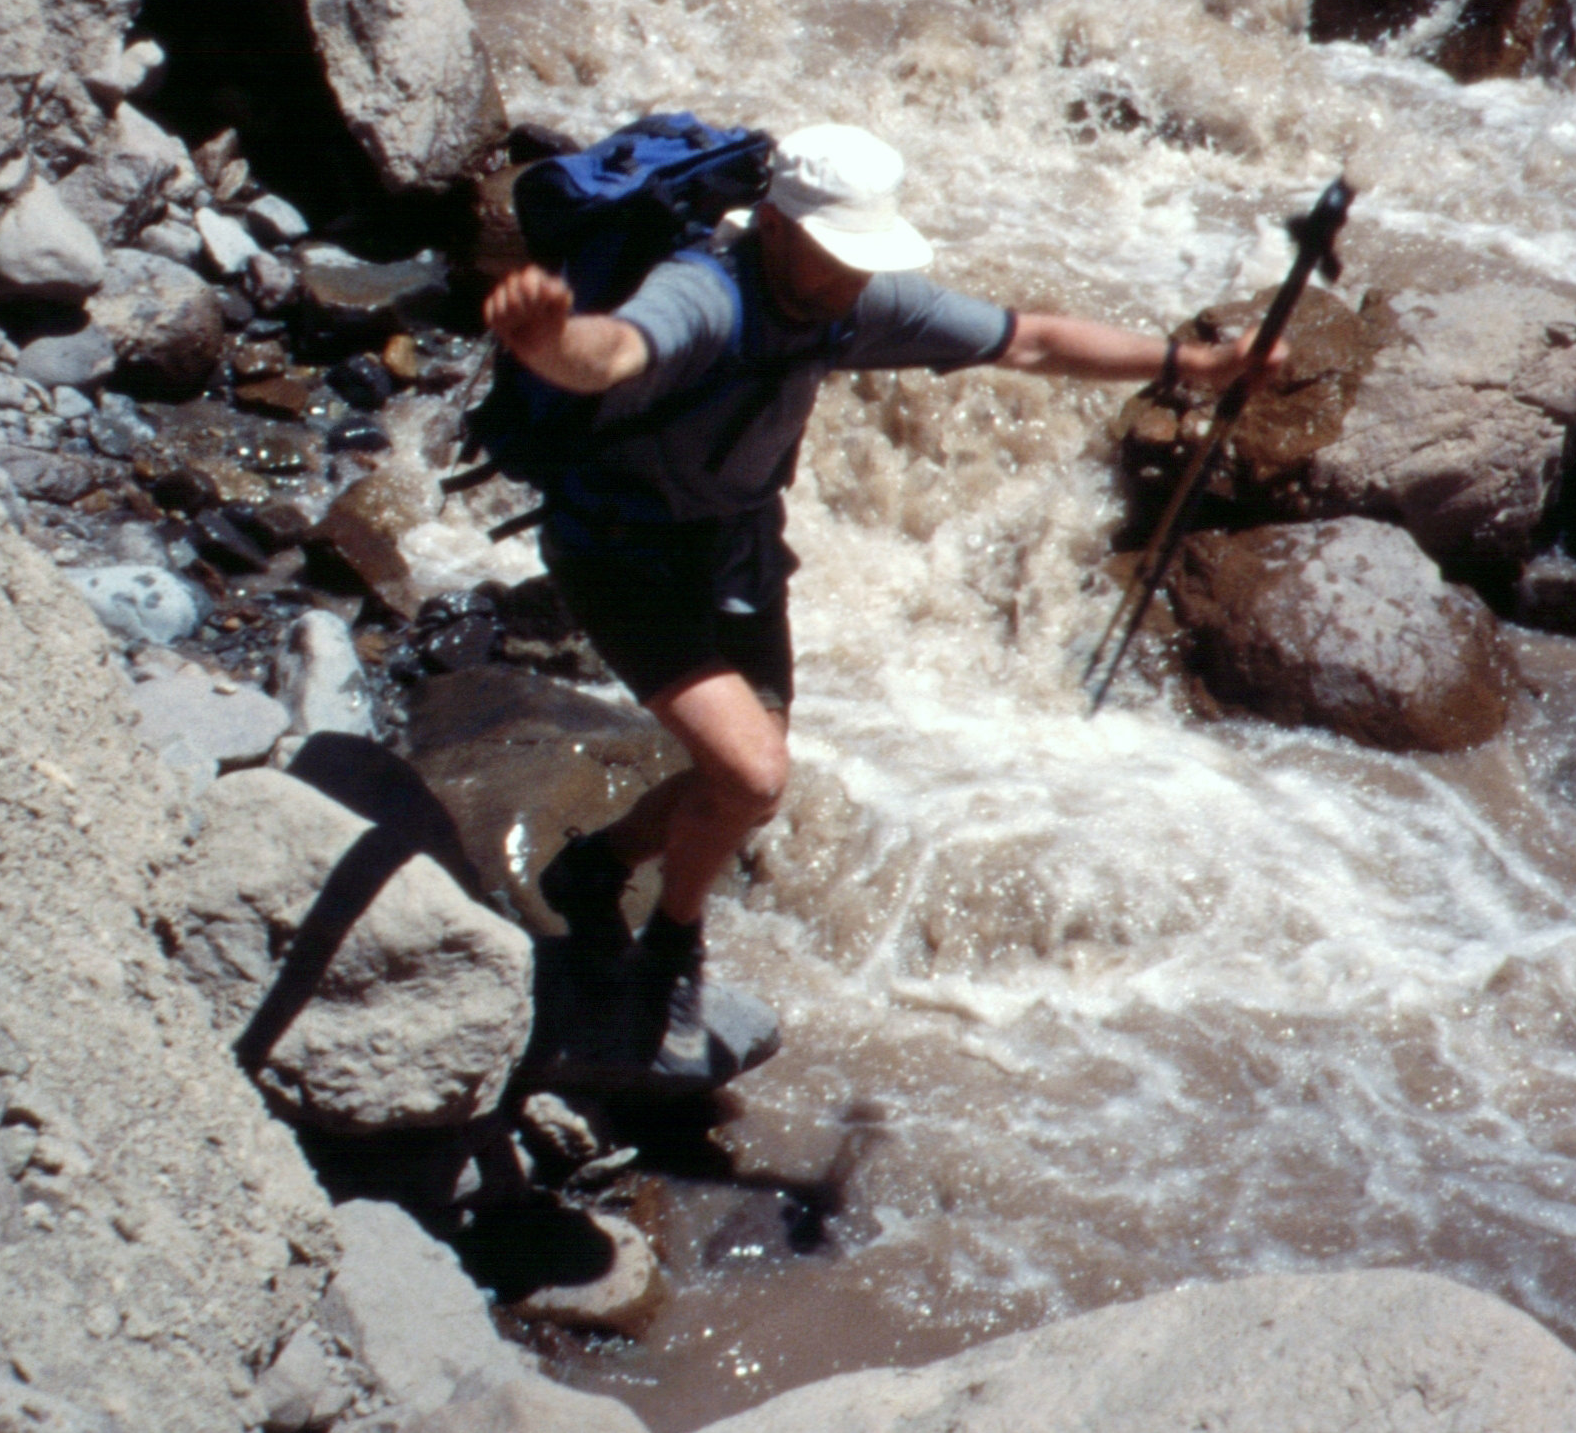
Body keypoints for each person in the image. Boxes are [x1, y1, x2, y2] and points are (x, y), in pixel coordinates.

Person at [482, 123, 1283, 1082]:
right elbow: (617, 350)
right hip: (622, 550)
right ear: (774, 225)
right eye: (835, 256)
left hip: (732, 554)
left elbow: (1028, 342)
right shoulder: (707, 288)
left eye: (863, 258)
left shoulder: (850, 301)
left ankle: (595, 869)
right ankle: (672, 946)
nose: (852, 278)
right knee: (752, 777)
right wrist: (549, 342)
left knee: (747, 785)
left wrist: (1189, 365)